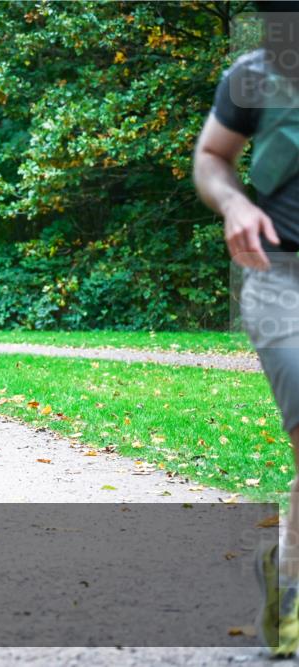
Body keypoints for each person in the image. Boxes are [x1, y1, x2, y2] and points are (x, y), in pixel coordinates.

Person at [193, 5, 298, 657]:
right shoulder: (255, 76)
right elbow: (211, 157)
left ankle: (285, 569)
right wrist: (233, 200)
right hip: (282, 279)